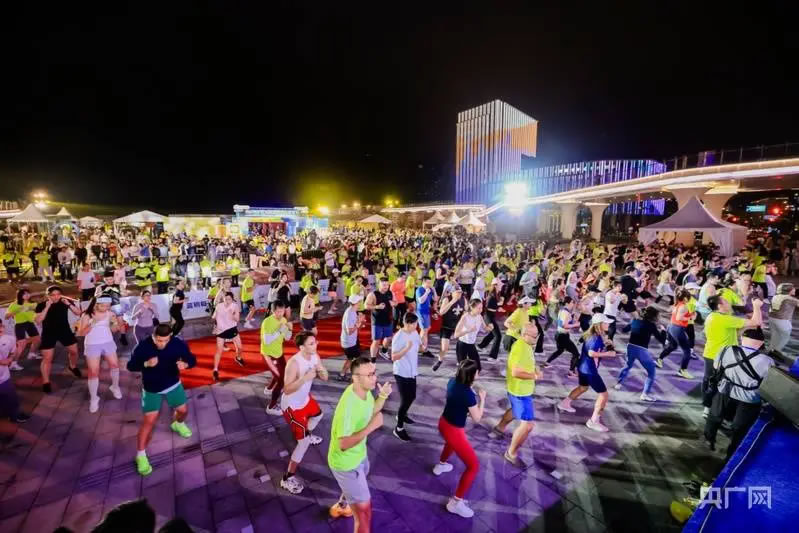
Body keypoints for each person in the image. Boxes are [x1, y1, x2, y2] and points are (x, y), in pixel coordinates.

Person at [327, 356, 392, 531]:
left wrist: (383, 395)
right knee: (364, 513)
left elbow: (371, 410)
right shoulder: (348, 408)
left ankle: (342, 505)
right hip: (346, 464)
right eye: (369, 375)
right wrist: (371, 427)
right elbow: (343, 444)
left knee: (358, 487)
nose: (375, 378)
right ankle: (345, 505)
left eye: (374, 373)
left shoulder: (363, 390)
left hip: (359, 454)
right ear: (355, 378)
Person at [127, 323, 196, 476]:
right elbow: (130, 366)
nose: (162, 344)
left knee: (183, 411)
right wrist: (146, 363)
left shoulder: (177, 343)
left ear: (170, 337)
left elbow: (192, 359)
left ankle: (177, 424)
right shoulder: (143, 347)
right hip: (152, 388)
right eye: (159, 340)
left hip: (173, 384)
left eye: (165, 340)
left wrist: (186, 364)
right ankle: (140, 455)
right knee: (149, 422)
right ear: (153, 336)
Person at [704, 328, 774, 456]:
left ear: (742, 338)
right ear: (761, 343)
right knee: (740, 427)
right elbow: (768, 383)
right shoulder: (767, 361)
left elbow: (716, 367)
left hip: (724, 390)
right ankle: (732, 452)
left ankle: (709, 439)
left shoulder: (726, 350)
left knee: (715, 416)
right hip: (749, 398)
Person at [433, 359, 485, 518]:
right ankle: (455, 503)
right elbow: (477, 418)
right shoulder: (469, 395)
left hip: (444, 422)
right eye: (477, 371)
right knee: (473, 466)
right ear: (472, 375)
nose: (478, 373)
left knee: (450, 444)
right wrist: (482, 399)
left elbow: (457, 399)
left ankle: (441, 465)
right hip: (454, 430)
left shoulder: (452, 382)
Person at [279, 331, 328, 495]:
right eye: (311, 343)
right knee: (303, 443)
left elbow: (325, 377)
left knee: (319, 415)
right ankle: (287, 478)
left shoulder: (315, 356)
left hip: (305, 399)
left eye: (315, 342)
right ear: (301, 347)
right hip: (292, 407)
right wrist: (305, 378)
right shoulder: (294, 363)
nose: (316, 345)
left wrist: (321, 371)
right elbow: (287, 389)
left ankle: (305, 433)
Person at [488, 322, 541, 465]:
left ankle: (499, 428)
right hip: (520, 391)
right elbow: (516, 372)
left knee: (514, 410)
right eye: (534, 336)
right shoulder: (520, 348)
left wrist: (535, 368)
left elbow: (527, 362)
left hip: (518, 389)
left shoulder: (526, 344)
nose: (536, 338)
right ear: (524, 335)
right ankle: (511, 453)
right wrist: (535, 376)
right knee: (528, 425)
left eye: (537, 335)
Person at [700, 294, 763, 417]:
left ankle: (710, 407)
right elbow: (757, 322)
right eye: (726, 301)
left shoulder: (716, 316)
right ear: (719, 306)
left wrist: (745, 326)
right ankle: (708, 408)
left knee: (713, 381)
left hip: (715, 355)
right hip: (717, 357)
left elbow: (734, 332)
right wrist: (756, 306)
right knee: (713, 383)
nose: (729, 303)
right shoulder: (723, 319)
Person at [557, 314, 617, 432]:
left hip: (582, 368)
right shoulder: (595, 338)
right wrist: (608, 354)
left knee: (583, 388)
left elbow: (593, 346)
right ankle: (593, 421)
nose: (608, 324)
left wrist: (606, 343)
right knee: (604, 395)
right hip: (590, 370)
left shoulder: (592, 335)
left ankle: (564, 403)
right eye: (606, 323)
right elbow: (591, 353)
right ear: (599, 325)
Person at [77, 297, 123, 413]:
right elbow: (81, 333)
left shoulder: (110, 313)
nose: (106, 308)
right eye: (103, 306)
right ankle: (94, 398)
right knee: (93, 372)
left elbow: (114, 330)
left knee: (115, 365)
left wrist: (116, 323)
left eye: (108, 306)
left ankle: (115, 387)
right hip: (92, 344)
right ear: (96, 304)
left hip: (108, 342)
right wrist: (93, 323)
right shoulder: (86, 315)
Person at [35, 286, 82, 393]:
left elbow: (78, 313)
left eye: (58, 294)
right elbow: (38, 320)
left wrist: (68, 304)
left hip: (64, 330)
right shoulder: (41, 305)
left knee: (74, 352)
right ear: (48, 295)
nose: (56, 297)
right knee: (47, 358)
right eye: (53, 295)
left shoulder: (65, 302)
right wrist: (47, 307)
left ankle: (72, 367)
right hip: (48, 333)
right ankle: (46, 382)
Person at [615, 306, 666, 401]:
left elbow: (624, 330)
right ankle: (644, 394)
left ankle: (618, 383)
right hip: (642, 351)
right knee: (651, 372)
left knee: (627, 365)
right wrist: (663, 330)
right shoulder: (651, 326)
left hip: (630, 347)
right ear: (653, 316)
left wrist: (633, 324)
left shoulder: (635, 320)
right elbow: (662, 340)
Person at [391, 312, 421, 442]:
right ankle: (399, 428)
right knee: (405, 399)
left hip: (412, 371)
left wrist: (423, 347)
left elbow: (419, 346)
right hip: (401, 372)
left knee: (412, 396)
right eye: (415, 324)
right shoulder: (399, 337)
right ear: (408, 324)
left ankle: (402, 415)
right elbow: (393, 357)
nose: (416, 326)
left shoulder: (414, 333)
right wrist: (406, 349)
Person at [260, 301, 293, 415]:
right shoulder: (267, 322)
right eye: (278, 311)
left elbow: (287, 338)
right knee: (281, 380)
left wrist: (289, 329)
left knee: (282, 374)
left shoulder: (283, 320)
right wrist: (280, 330)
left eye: (282, 311)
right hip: (269, 355)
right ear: (273, 311)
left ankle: (269, 389)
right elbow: (267, 341)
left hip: (279, 353)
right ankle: (271, 407)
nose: (281, 313)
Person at [656, 289, 696, 379]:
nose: (690, 299)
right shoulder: (684, 306)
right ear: (685, 298)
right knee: (687, 351)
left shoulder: (677, 304)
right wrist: (691, 318)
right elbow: (679, 318)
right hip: (677, 329)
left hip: (671, 327)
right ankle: (682, 370)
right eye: (689, 297)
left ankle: (659, 359)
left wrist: (690, 315)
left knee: (673, 346)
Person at [0, 323, 31, 423]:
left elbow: (13, 352)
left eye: (0, 326)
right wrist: (4, 362)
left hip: (3, 376)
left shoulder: (10, 339)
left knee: (10, 396)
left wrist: (10, 358)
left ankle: (14, 415)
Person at [543, 296, 581, 374]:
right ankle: (571, 372)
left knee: (560, 350)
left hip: (559, 334)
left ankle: (547, 362)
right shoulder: (566, 313)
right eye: (572, 302)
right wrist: (576, 325)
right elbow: (564, 325)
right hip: (563, 336)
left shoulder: (562, 311)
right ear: (567, 303)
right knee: (576, 353)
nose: (573, 304)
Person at [211, 291, 244, 382]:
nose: (227, 301)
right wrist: (215, 324)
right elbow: (213, 317)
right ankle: (215, 370)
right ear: (223, 299)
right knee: (219, 351)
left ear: (232, 299)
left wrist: (231, 316)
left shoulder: (235, 306)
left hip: (232, 328)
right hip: (221, 330)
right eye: (226, 299)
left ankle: (238, 358)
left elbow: (237, 319)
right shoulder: (219, 306)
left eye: (229, 299)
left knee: (240, 348)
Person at [453, 298, 492, 372]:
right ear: (472, 308)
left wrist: (490, 327)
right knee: (462, 369)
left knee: (478, 367)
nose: (481, 310)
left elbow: (485, 329)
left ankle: (472, 378)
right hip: (462, 344)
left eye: (481, 308)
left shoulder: (479, 316)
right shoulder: (465, 317)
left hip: (471, 344)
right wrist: (468, 330)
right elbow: (456, 334)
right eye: (478, 308)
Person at [7, 288, 41, 369]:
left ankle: (31, 354)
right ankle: (13, 364)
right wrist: (18, 310)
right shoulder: (14, 304)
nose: (27, 295)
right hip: (20, 325)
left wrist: (38, 319)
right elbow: (6, 316)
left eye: (28, 293)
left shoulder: (32, 304)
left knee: (37, 339)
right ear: (20, 295)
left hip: (30, 324)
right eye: (24, 294)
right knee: (21, 345)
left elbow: (36, 313)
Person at [435, 286, 466, 372]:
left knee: (462, 346)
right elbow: (441, 312)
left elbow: (466, 310)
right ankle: (440, 360)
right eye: (457, 292)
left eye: (460, 292)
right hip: (447, 326)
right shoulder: (447, 299)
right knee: (445, 348)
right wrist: (452, 301)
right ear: (452, 293)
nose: (459, 294)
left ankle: (460, 362)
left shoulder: (463, 299)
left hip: (458, 326)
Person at [365, 278, 395, 361]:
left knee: (389, 338)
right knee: (376, 341)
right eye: (384, 285)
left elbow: (395, 302)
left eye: (387, 285)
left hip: (388, 319)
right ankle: (373, 360)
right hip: (377, 321)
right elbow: (366, 306)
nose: (386, 287)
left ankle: (384, 351)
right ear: (379, 285)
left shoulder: (390, 293)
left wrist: (394, 303)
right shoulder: (373, 294)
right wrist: (377, 306)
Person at [768, 282, 799, 355]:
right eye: (793, 288)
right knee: (784, 338)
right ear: (789, 290)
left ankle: (769, 351)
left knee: (775, 337)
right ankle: (775, 353)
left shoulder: (775, 296)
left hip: (771, 319)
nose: (794, 290)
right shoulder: (790, 299)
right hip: (783, 322)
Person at [339, 294, 365, 380]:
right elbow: (349, 331)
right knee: (355, 360)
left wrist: (360, 321)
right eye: (359, 301)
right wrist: (358, 324)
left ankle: (343, 375)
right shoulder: (350, 314)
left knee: (352, 359)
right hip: (349, 342)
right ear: (356, 303)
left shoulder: (353, 311)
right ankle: (353, 376)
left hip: (352, 340)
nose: (360, 303)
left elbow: (356, 328)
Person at [477, 279, 503, 360]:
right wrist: (498, 306)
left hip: (491, 316)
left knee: (492, 334)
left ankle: (481, 346)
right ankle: (493, 356)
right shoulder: (491, 295)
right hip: (488, 317)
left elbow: (494, 306)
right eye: (500, 284)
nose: (501, 286)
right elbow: (488, 307)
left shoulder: (496, 294)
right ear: (495, 285)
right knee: (498, 336)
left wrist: (498, 307)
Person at [415, 277, 435, 358]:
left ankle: (423, 348)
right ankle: (421, 349)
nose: (430, 284)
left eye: (430, 282)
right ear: (424, 282)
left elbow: (435, 299)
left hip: (427, 312)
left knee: (426, 330)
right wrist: (426, 293)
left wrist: (434, 290)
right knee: (424, 330)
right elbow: (420, 301)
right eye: (428, 282)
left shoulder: (429, 290)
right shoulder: (419, 289)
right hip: (421, 312)